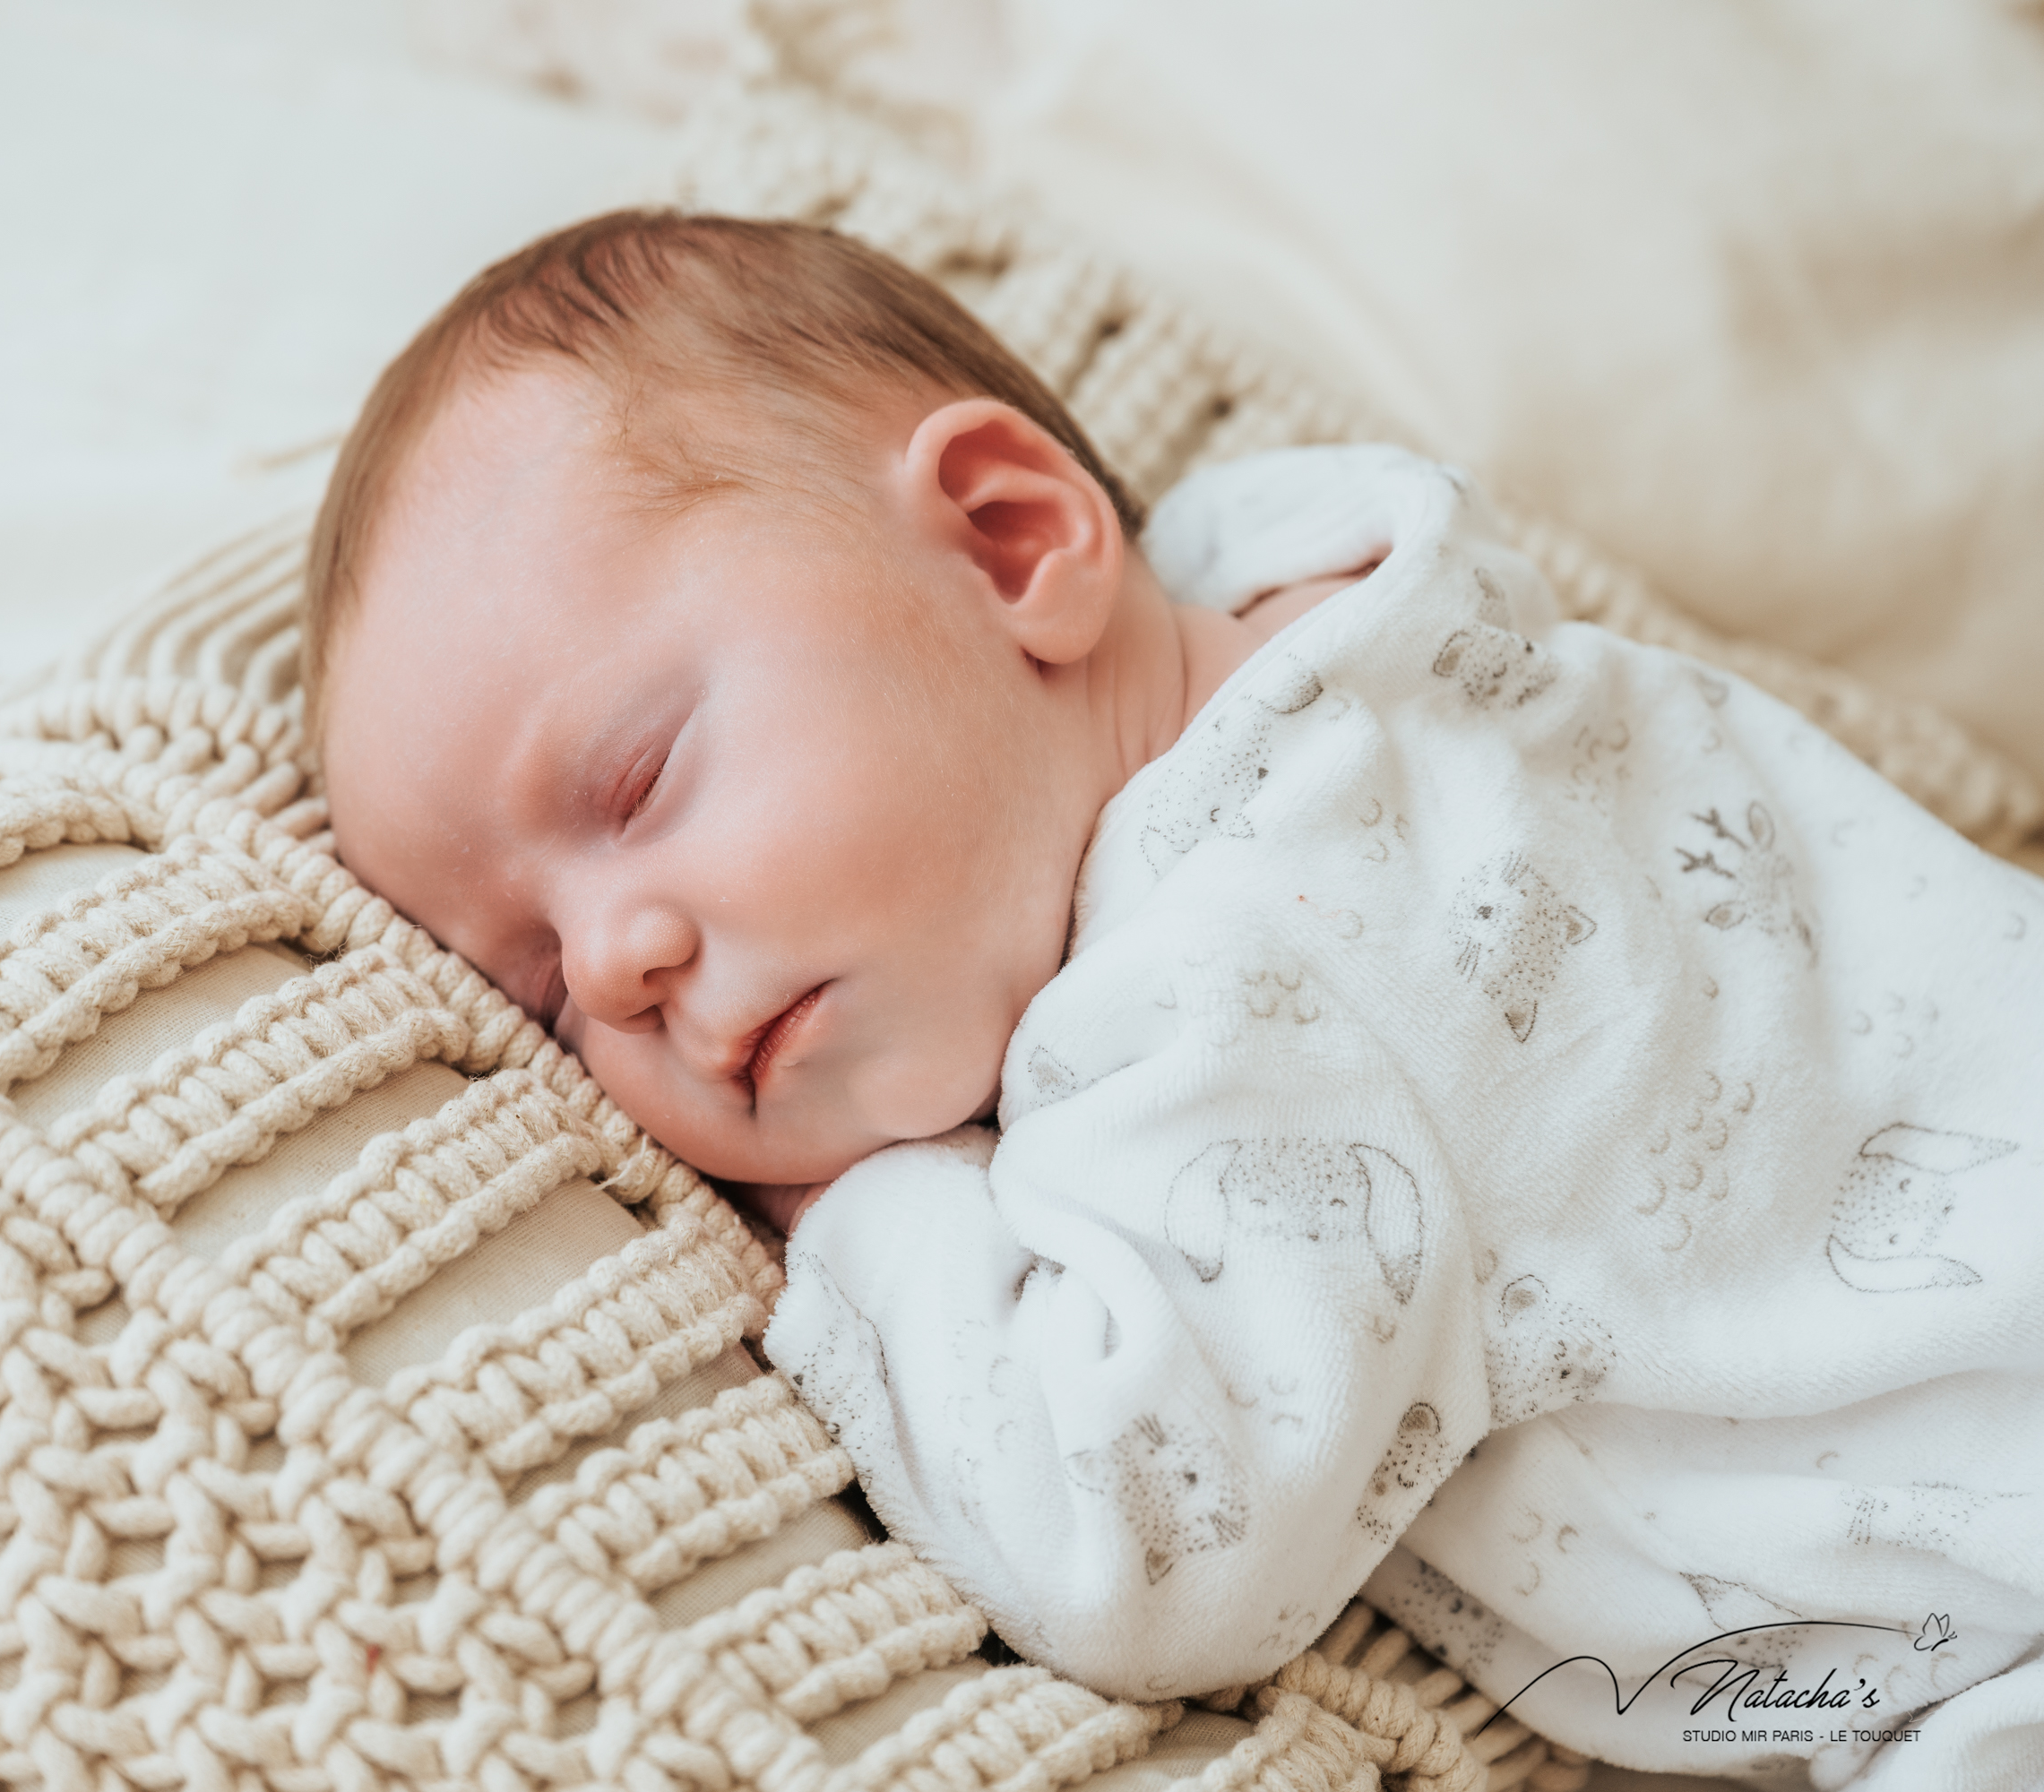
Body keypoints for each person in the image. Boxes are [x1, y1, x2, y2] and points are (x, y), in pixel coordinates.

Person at [311, 210, 2044, 1790]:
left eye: (633, 782)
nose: (616, 968)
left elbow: (1140, 1544)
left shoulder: (1258, 978)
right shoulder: (1366, 638)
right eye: (537, 996)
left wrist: (857, 1211)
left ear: (1008, 542)